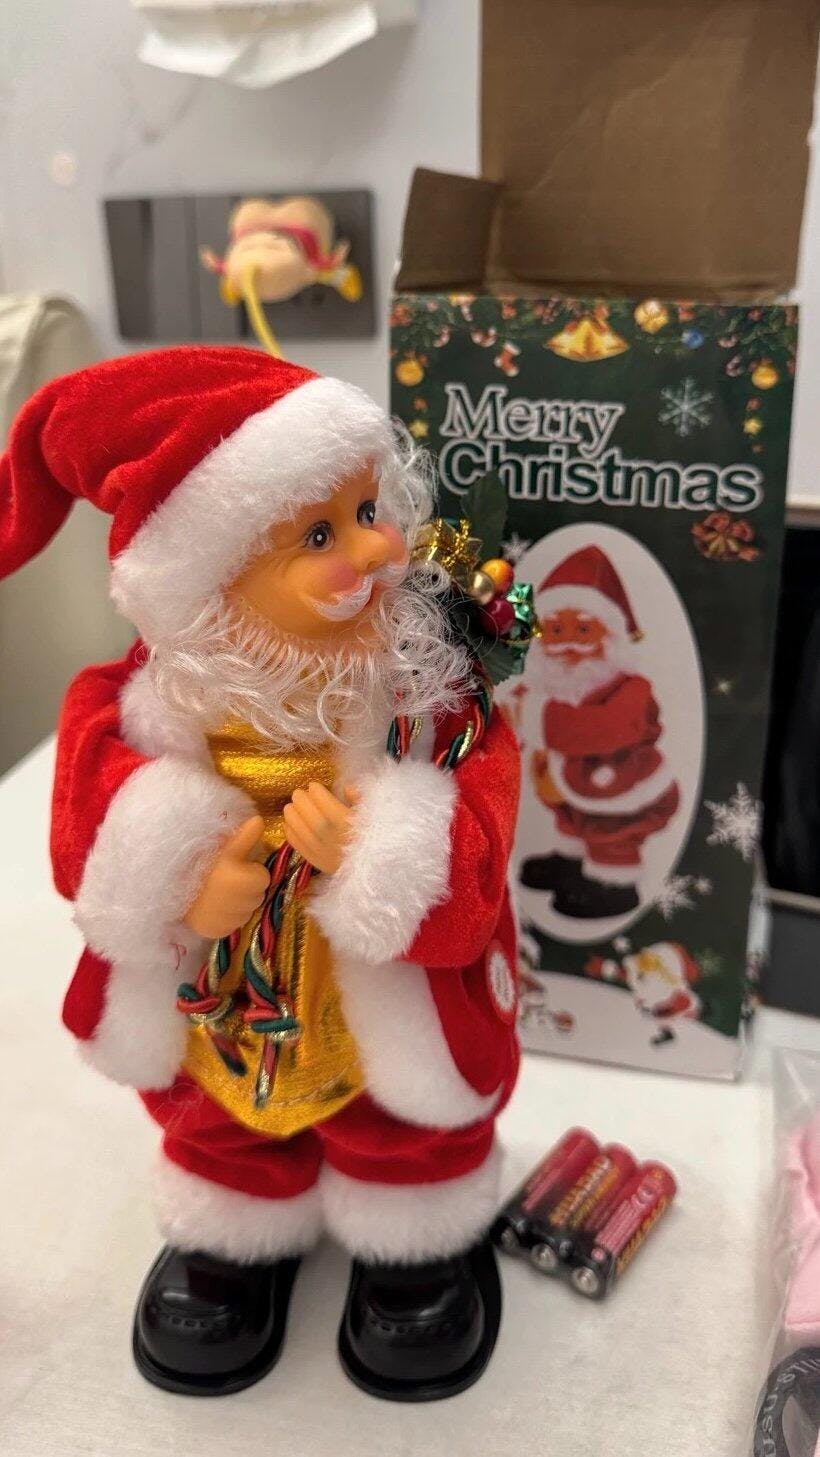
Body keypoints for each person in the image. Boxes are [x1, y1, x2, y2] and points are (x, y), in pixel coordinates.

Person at [0, 348, 521, 1401]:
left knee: (407, 1113)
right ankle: (237, 1221)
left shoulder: (431, 702)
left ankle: (412, 1229)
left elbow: (480, 835)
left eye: (368, 510)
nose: (373, 550)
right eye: (317, 536)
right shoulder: (140, 709)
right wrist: (182, 878)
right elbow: (85, 827)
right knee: (216, 1115)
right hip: (227, 1007)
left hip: (378, 1004)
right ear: (208, 587)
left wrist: (379, 850)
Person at [518, 544, 679, 918]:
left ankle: (613, 883)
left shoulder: (633, 690)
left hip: (624, 788)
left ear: (610, 636)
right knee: (571, 817)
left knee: (609, 830)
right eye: (556, 630)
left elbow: (606, 730)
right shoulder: (552, 686)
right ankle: (572, 860)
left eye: (583, 630)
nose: (568, 643)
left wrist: (538, 718)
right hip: (572, 784)